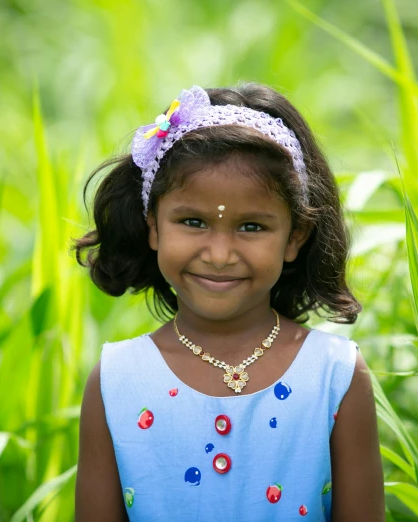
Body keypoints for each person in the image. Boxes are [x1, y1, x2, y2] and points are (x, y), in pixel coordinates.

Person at [72, 82, 384, 521]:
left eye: (252, 227)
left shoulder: (336, 375)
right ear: (153, 228)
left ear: (295, 237)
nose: (219, 255)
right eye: (193, 221)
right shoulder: (116, 380)